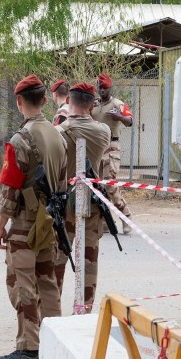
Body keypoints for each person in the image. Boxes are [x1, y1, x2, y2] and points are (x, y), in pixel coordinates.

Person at [0, 74, 68, 359]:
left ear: (19, 101)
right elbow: (64, 179)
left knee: (21, 281)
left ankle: (29, 348)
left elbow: (10, 188)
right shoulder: (58, 134)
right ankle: (53, 341)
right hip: (51, 218)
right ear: (45, 100)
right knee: (47, 280)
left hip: (27, 219)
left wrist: (1, 226)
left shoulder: (20, 139)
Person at [53, 82, 111, 313]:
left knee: (57, 256)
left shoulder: (58, 131)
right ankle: (84, 308)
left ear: (68, 100)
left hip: (64, 199)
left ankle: (51, 306)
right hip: (92, 200)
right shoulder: (103, 131)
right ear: (91, 104)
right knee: (89, 258)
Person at [90, 72, 133, 234]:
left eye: (105, 88)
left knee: (109, 184)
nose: (102, 91)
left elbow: (129, 122)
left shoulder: (117, 104)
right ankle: (105, 222)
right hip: (96, 148)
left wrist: (119, 116)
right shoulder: (92, 105)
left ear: (110, 88)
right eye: (100, 88)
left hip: (111, 147)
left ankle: (126, 216)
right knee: (97, 186)